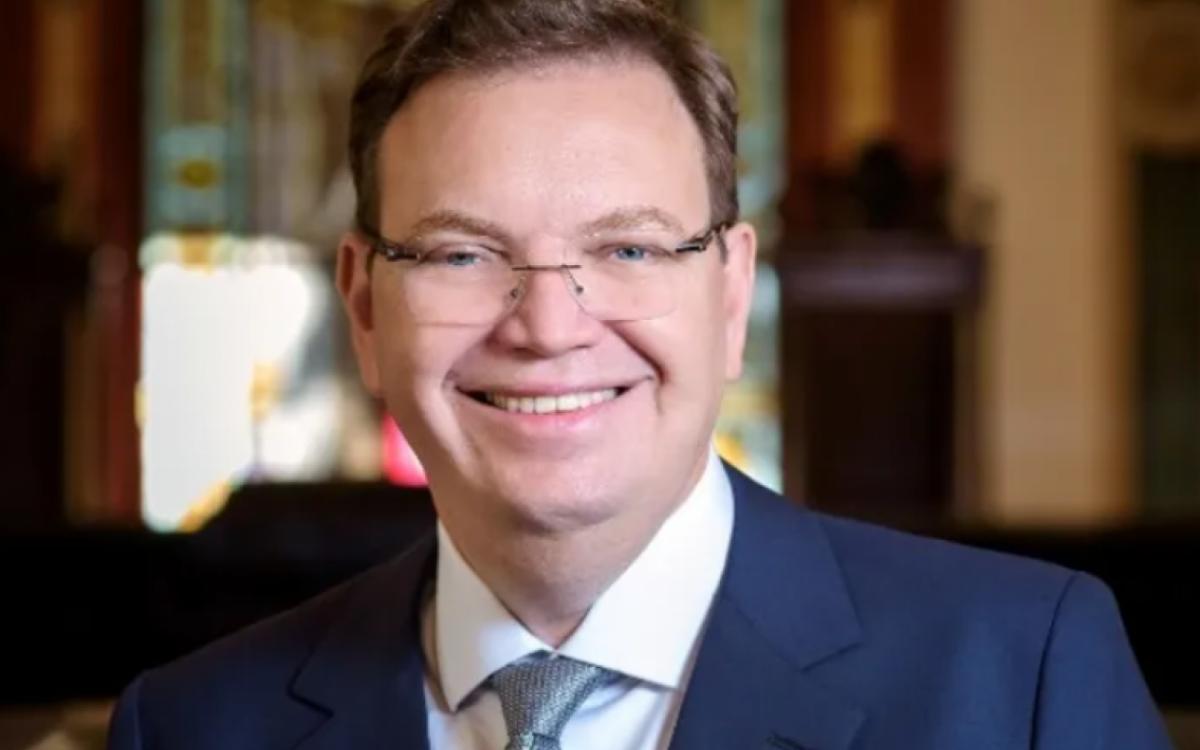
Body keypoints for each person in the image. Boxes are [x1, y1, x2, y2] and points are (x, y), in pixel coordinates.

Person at [106, 0, 1174, 748]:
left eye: (627, 247)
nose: (548, 327)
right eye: (463, 254)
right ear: (364, 308)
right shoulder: (192, 727)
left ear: (729, 292)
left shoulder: (1022, 680)